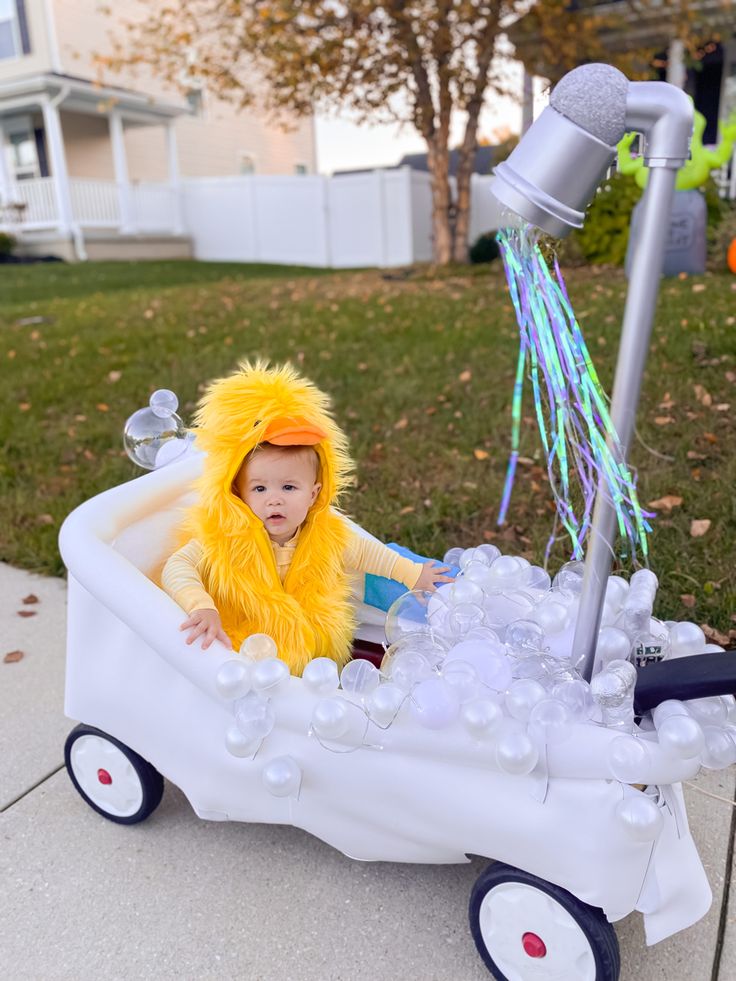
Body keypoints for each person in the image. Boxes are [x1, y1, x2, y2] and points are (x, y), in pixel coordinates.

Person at [161, 361, 453, 674]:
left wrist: (413, 574)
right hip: (249, 646)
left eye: (289, 487)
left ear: (313, 494)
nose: (274, 499)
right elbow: (177, 566)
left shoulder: (322, 535)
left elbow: (370, 553)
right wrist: (202, 606)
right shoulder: (225, 538)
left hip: (313, 650)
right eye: (259, 488)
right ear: (240, 494)